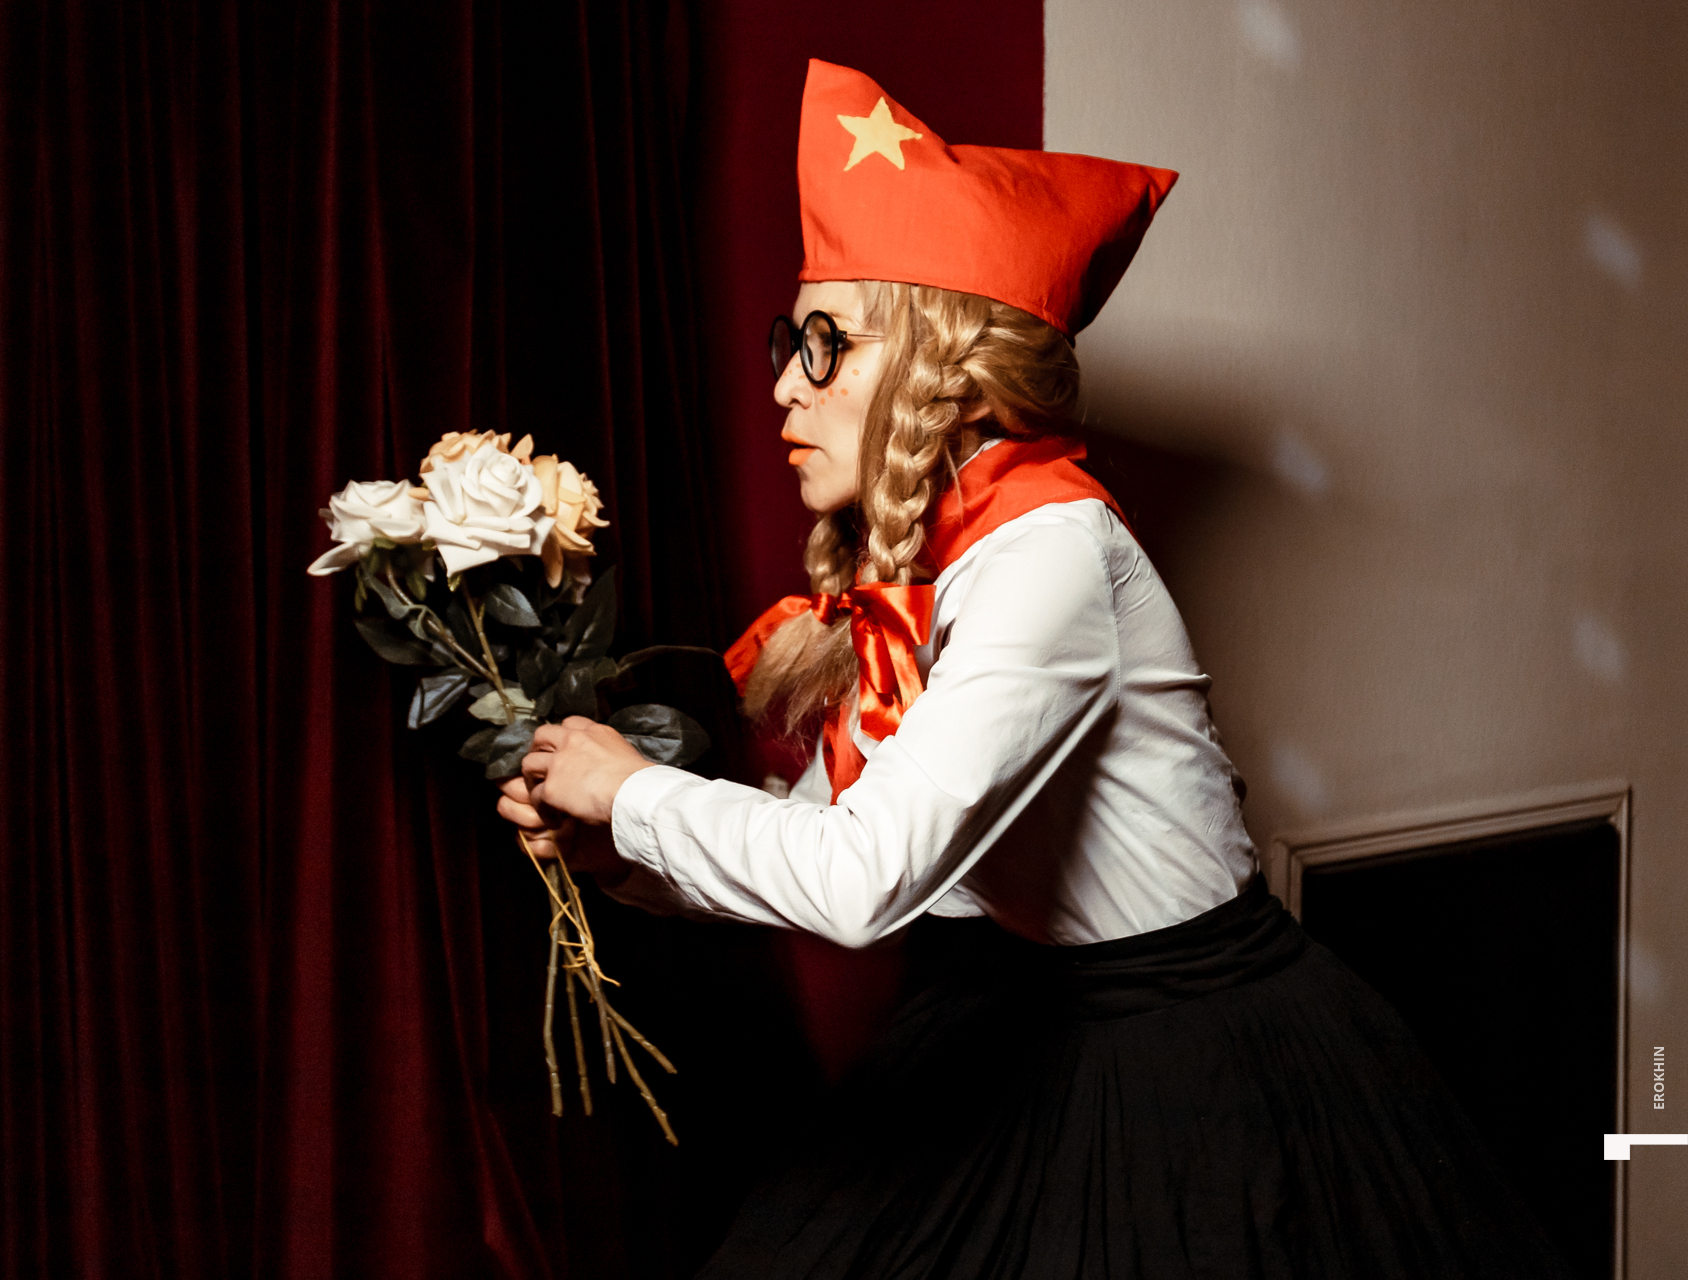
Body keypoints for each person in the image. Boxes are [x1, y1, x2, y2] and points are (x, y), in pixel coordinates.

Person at [498, 59, 1571, 1280]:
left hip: (1184, 1059)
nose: (783, 382)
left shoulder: (1051, 553)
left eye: (823, 344)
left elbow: (863, 880)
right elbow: (825, 834)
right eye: (786, 341)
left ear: (938, 362)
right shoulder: (921, 564)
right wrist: (628, 857)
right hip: (1015, 1012)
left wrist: (633, 787)